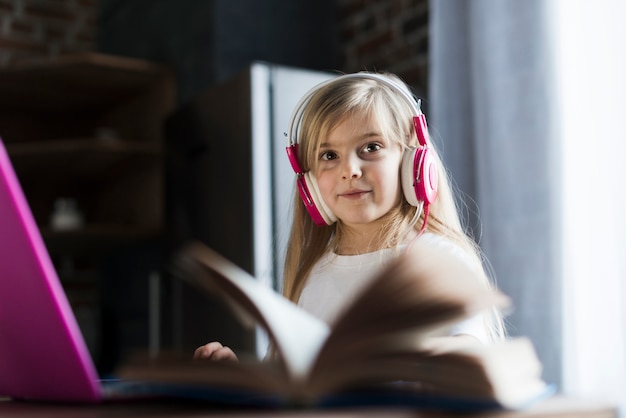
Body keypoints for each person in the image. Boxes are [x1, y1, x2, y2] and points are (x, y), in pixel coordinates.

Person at [194, 72, 505, 362]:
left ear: (413, 163)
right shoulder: (314, 275)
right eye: (329, 156)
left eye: (371, 147)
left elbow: (470, 351)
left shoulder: (440, 260)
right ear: (310, 182)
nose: (350, 170)